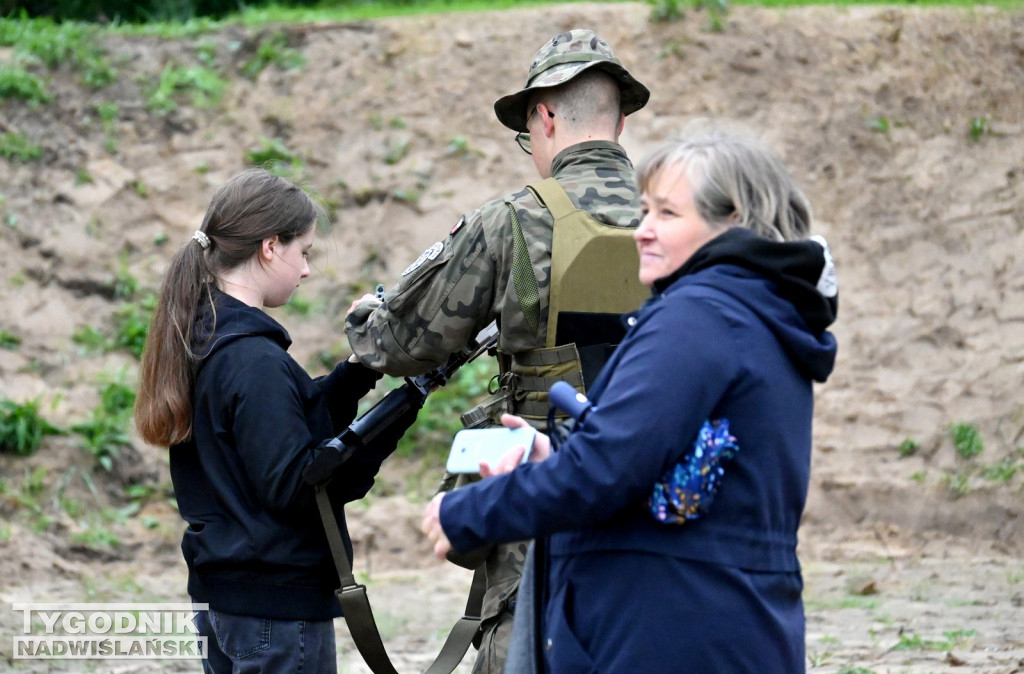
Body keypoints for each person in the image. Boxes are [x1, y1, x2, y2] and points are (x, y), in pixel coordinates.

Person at [421, 131, 839, 673]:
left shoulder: (699, 317)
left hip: (672, 630)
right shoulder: (754, 314)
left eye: (667, 214)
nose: (642, 232)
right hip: (728, 623)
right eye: (645, 211)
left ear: (730, 219)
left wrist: (471, 510)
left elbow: (607, 470)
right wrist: (557, 458)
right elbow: (659, 466)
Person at [345, 29, 651, 673]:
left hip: (541, 480)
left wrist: (365, 316)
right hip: (659, 471)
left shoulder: (513, 218)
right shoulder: (681, 212)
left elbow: (402, 341)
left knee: (525, 640)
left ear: (542, 115)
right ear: (620, 118)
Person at [134, 168, 413, 674]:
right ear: (269, 247)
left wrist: (359, 371)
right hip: (275, 613)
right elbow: (300, 484)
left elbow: (283, 433)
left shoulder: (207, 338)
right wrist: (398, 415)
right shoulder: (254, 361)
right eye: (303, 252)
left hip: (231, 602)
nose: (306, 269)